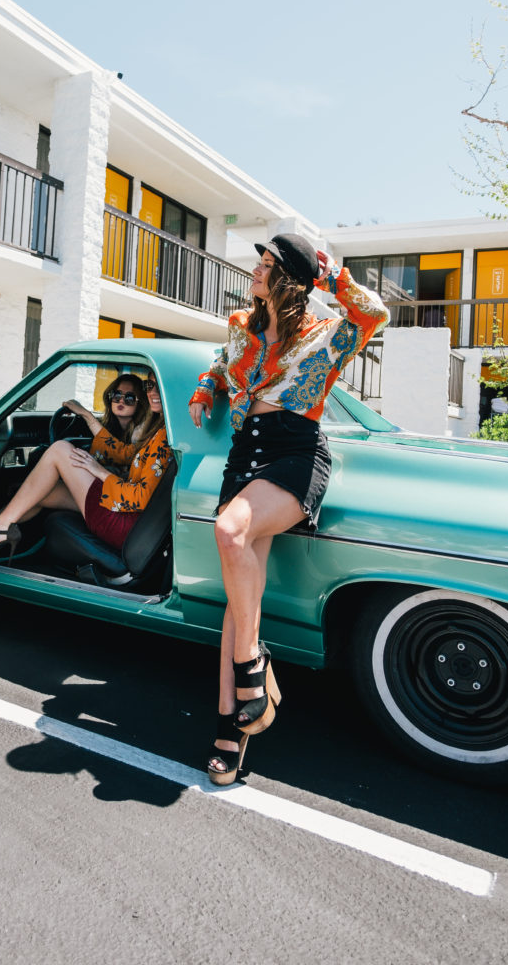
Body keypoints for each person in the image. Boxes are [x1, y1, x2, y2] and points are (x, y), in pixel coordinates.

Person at [188, 233, 389, 785]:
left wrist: (330, 277)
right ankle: (231, 727)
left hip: (294, 454)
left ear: (291, 279)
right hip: (243, 453)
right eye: (259, 262)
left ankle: (254, 666)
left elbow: (376, 313)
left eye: (268, 264)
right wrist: (206, 390)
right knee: (238, 598)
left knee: (230, 533)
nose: (256, 270)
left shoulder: (329, 334)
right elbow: (217, 365)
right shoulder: (239, 327)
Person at [0, 374, 171, 564]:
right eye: (150, 385)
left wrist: (99, 471)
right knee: (47, 491)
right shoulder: (160, 429)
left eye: (160, 385)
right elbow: (125, 454)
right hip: (128, 516)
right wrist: (88, 417)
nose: (153, 392)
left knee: (59, 450)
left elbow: (140, 498)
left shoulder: (163, 437)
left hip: (125, 523)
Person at [63, 373, 149, 472]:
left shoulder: (142, 432)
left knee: (59, 448)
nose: (121, 400)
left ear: (140, 403)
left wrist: (86, 414)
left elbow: (125, 456)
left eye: (129, 398)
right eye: (117, 395)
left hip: (114, 484)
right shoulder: (107, 427)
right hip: (93, 477)